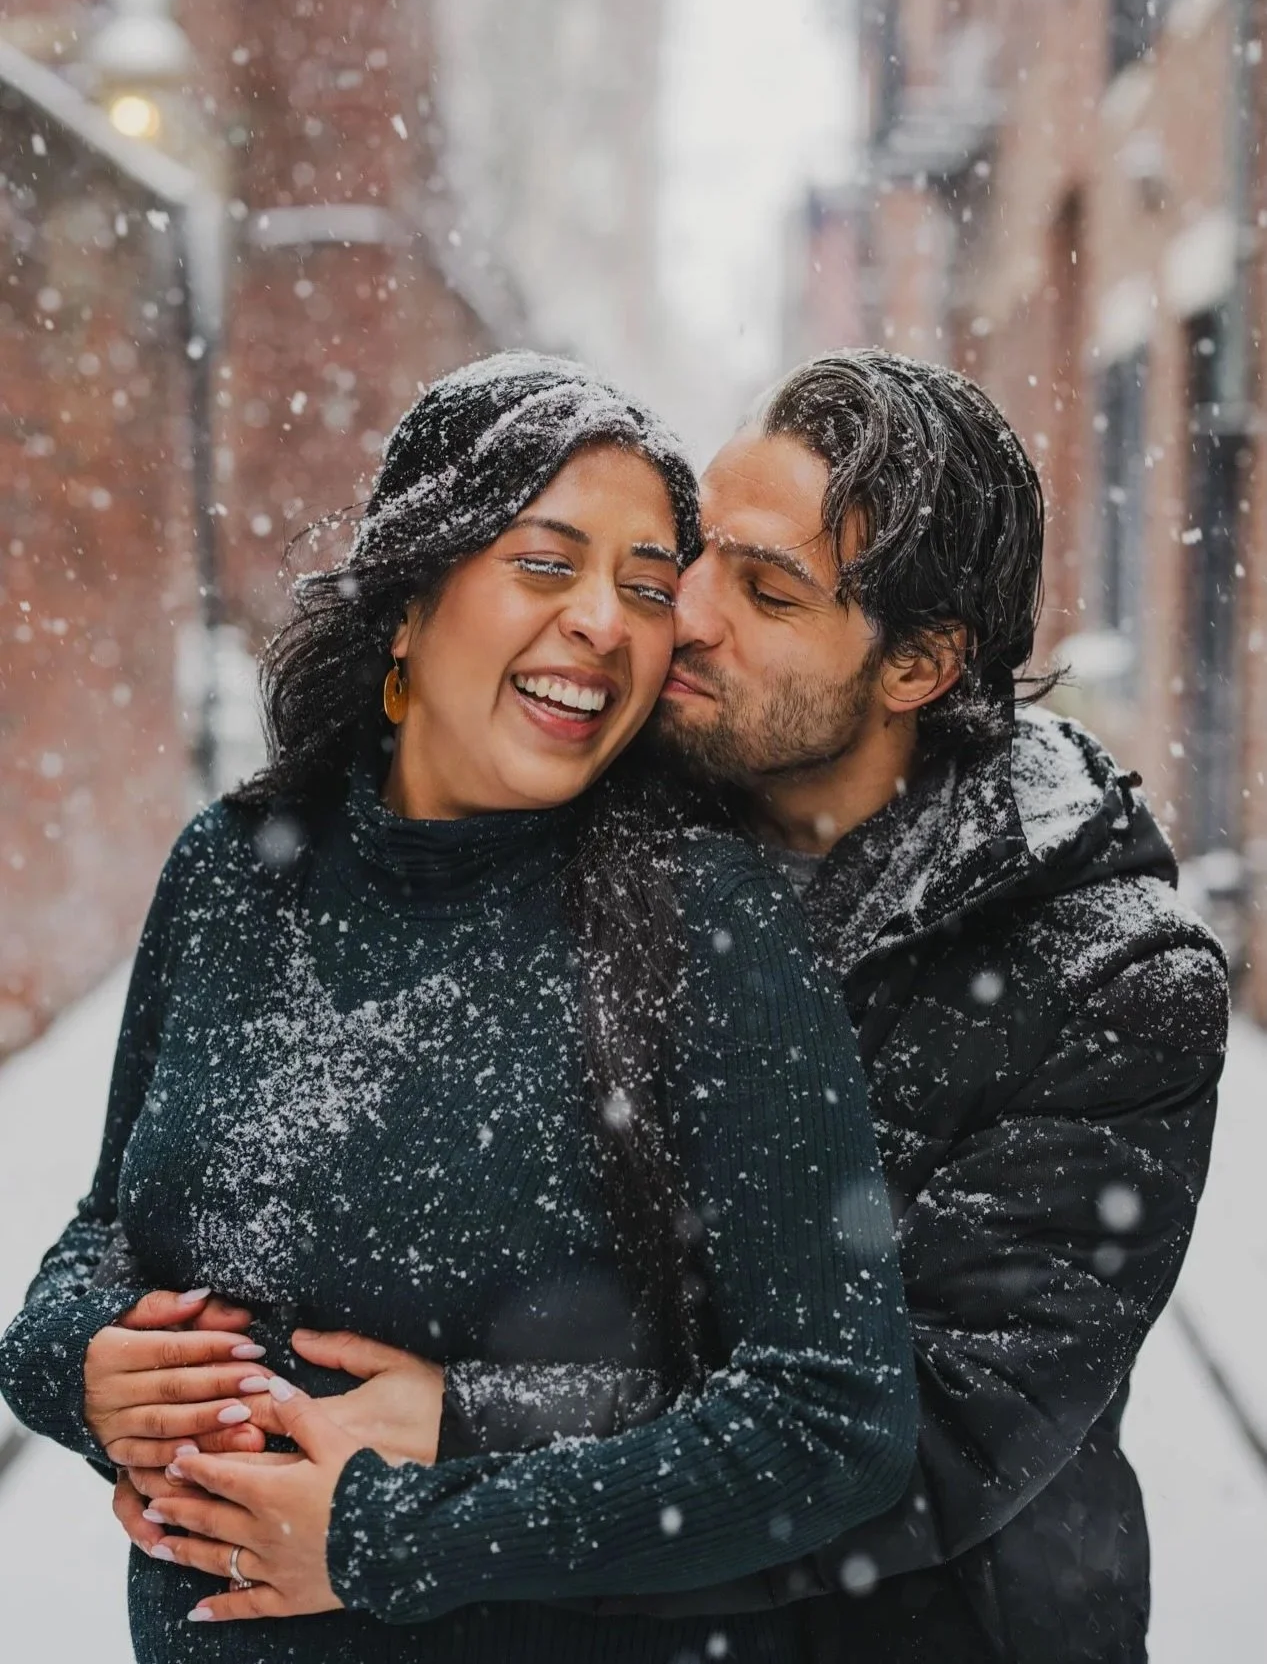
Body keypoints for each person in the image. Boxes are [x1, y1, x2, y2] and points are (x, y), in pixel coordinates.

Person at [200, 349, 1220, 1664]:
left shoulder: (1110, 983)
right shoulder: (594, 815)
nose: (681, 614)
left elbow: (920, 1437)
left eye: (768, 590)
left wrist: (470, 1429)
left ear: (917, 666)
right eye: (695, 555)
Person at [0, 352, 917, 1662]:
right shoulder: (236, 869)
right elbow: (110, 1230)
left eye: (647, 586)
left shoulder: (706, 925)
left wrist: (391, 1537)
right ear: (408, 605)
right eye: (547, 564)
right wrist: (72, 1363)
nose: (605, 621)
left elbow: (831, 1421)